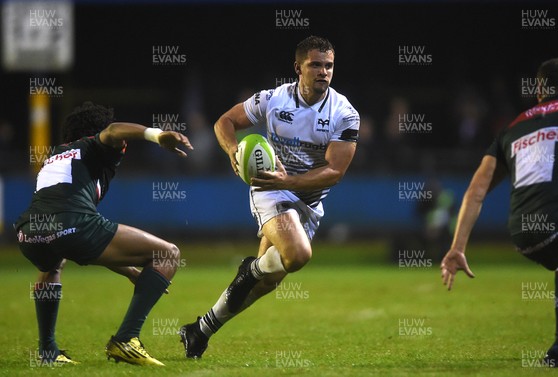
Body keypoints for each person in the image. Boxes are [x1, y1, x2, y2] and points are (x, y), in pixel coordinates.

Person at [179, 35, 360, 358]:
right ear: (298, 68)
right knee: (298, 255)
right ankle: (249, 272)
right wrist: (234, 152)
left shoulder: (344, 114)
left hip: (308, 202)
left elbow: (335, 171)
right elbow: (225, 122)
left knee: (265, 282)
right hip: (270, 189)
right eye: (315, 65)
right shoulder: (273, 99)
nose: (323, 72)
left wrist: (289, 180)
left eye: (329, 66)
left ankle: (199, 330)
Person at [440, 58, 558, 368]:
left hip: (523, 233)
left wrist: (457, 247)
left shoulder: (511, 128)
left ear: (539, 92)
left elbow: (476, 191)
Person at [14, 102, 193, 366]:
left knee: (52, 265)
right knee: (167, 254)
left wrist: (130, 270)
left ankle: (47, 352)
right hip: (70, 224)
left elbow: (86, 244)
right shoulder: (93, 145)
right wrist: (156, 135)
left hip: (28, 233)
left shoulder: (55, 155)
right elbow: (112, 130)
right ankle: (126, 339)